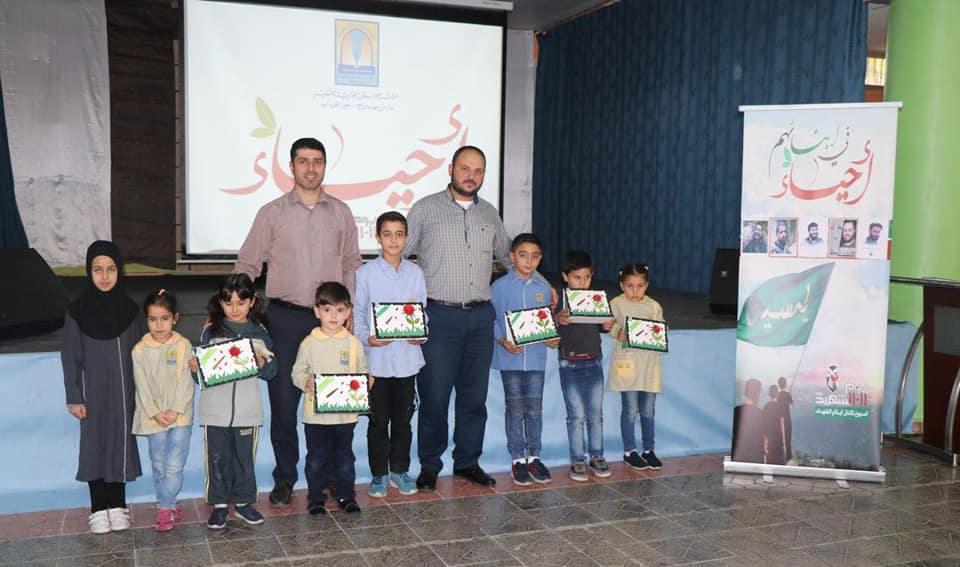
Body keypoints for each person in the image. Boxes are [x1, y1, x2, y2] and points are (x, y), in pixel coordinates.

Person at [234, 137, 362, 508]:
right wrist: (232, 309)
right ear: (291, 166)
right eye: (303, 161)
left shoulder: (341, 213)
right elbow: (248, 263)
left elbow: (351, 263)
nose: (310, 168)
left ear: (324, 166)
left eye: (317, 161)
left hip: (331, 324)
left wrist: (350, 310)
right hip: (284, 321)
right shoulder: (271, 213)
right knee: (284, 405)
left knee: (333, 406)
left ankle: (334, 479)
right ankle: (285, 478)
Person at [404, 145, 517, 491]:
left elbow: (510, 257)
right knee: (435, 397)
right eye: (465, 168)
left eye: (478, 170)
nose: (471, 175)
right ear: (451, 168)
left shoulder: (490, 214)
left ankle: (467, 461)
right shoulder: (425, 209)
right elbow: (398, 255)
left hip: (480, 318)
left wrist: (544, 285)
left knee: (474, 398)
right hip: (439, 317)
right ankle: (429, 465)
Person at [62, 241, 145, 534]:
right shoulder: (77, 311)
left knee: (120, 444)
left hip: (124, 394)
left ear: (119, 271)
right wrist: (74, 396)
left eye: (111, 269)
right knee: (94, 445)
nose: (105, 276)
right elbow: (70, 357)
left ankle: (118, 505)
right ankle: (98, 507)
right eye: (98, 269)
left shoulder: (130, 310)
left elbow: (144, 352)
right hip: (92, 396)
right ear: (89, 272)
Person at [192, 274, 277, 529]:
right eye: (228, 303)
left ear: (252, 302)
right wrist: (194, 368)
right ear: (220, 302)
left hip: (247, 412)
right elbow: (200, 376)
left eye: (241, 302)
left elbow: (273, 370)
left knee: (244, 461)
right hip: (214, 412)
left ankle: (243, 503)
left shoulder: (259, 333)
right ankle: (219, 506)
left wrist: (263, 364)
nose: (235, 308)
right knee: (217, 460)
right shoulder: (211, 331)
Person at [354, 211, 426, 498]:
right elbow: (359, 314)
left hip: (407, 360)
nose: (393, 240)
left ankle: (399, 470)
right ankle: (379, 475)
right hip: (377, 363)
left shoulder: (415, 273)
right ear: (377, 237)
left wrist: (421, 333)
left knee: (403, 421)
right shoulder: (365, 274)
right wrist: (367, 339)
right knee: (378, 421)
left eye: (399, 234)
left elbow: (422, 312)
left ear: (406, 238)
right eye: (387, 234)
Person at [291, 282, 369, 515]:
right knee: (316, 458)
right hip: (315, 416)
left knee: (344, 457)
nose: (333, 316)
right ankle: (316, 497)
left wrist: (366, 382)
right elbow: (297, 372)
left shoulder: (354, 344)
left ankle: (346, 495)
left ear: (348, 312)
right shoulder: (309, 343)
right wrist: (305, 381)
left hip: (345, 416)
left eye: (340, 310)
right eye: (327, 310)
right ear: (317, 311)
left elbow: (363, 371)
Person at [491, 233, 561, 486]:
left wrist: (552, 338)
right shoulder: (498, 287)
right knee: (515, 410)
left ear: (540, 259)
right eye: (523, 255)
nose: (529, 261)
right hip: (509, 360)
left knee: (534, 410)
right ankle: (517, 459)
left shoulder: (543, 290)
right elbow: (492, 319)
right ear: (512, 257)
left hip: (536, 360)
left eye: (535, 256)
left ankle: (534, 457)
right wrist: (502, 340)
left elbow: (546, 323)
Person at [131, 289, 194, 532]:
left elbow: (186, 382)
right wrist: (155, 412)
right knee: (159, 465)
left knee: (174, 465)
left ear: (175, 318)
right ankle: (169, 503)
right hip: (153, 418)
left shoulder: (183, 345)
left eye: (164, 318)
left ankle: (164, 507)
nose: (159, 325)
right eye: (153, 319)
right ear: (146, 320)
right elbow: (142, 385)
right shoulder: (139, 350)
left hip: (180, 417)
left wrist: (176, 410)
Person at [553, 250, 615, 481]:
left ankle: (597, 456)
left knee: (595, 415)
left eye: (586, 277)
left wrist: (606, 325)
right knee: (576, 415)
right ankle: (577, 459)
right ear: (565, 276)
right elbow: (550, 327)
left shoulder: (596, 299)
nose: (582, 282)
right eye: (577, 277)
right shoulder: (559, 301)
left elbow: (601, 326)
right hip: (569, 364)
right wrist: (558, 319)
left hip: (594, 362)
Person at [608, 262, 664, 471]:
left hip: (649, 367)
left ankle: (648, 450)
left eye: (639, 286)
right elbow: (607, 323)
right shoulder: (616, 304)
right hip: (628, 365)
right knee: (630, 410)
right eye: (630, 286)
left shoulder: (654, 307)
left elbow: (660, 333)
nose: (634, 291)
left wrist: (658, 338)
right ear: (622, 285)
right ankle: (629, 451)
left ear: (646, 286)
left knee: (648, 411)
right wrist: (617, 331)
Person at [731, 378, 764, 463]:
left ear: (745, 392)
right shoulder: (762, 415)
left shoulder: (735, 412)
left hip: (737, 461)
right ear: (758, 394)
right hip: (755, 462)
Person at [762, 385, 786, 465]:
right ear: (777, 394)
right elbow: (782, 425)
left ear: (770, 394)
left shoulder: (766, 407)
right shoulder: (780, 407)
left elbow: (763, 426)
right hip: (778, 442)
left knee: (770, 465)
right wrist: (784, 442)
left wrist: (765, 443)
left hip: (769, 442)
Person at [777, 376, 793, 462]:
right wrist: (791, 393)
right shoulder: (787, 394)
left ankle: (781, 457)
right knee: (788, 439)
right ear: (785, 384)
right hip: (787, 419)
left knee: (781, 440)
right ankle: (788, 458)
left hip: (780, 419)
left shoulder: (778, 395)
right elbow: (792, 403)